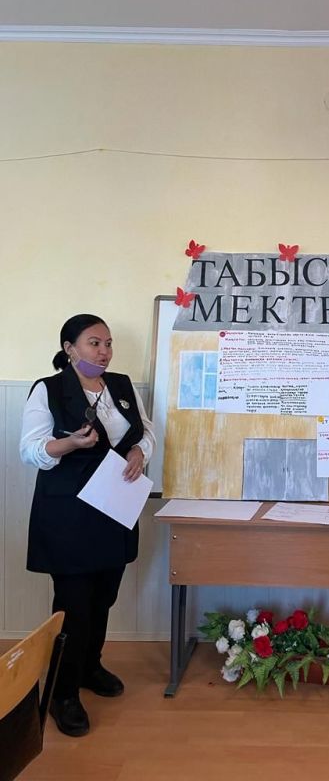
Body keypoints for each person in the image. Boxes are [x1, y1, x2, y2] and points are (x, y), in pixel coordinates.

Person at [20, 314, 156, 737]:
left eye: (108, 343)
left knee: (103, 597)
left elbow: (147, 432)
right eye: (94, 343)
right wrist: (70, 443)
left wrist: (140, 452)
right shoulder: (48, 389)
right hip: (70, 514)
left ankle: (89, 667)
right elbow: (30, 450)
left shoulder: (122, 386)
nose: (104, 351)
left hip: (114, 508)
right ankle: (62, 694)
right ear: (69, 348)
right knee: (73, 605)